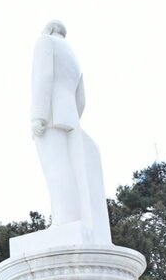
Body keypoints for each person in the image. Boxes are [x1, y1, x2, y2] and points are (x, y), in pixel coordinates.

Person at [30, 20, 110, 244]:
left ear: (47, 29)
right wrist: (72, 116)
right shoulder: (74, 57)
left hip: (50, 115)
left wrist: (39, 115)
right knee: (68, 167)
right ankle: (68, 218)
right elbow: (82, 98)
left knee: (56, 169)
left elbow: (43, 77)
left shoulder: (44, 42)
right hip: (69, 115)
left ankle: (64, 220)